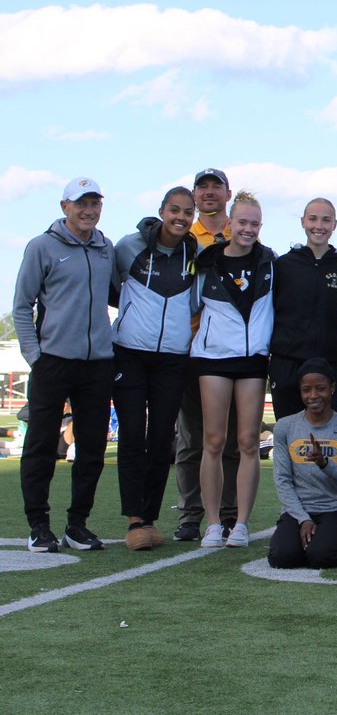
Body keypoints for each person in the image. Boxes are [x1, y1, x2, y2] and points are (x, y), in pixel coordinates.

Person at [14, 177, 118, 552]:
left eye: (95, 204)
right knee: (41, 446)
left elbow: (122, 295)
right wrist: (35, 357)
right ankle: (38, 526)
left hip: (97, 365)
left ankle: (77, 525)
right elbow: (22, 306)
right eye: (81, 204)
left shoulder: (106, 248)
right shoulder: (42, 246)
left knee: (92, 449)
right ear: (64, 207)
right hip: (53, 362)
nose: (88, 211)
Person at [111, 186, 198, 550]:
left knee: (162, 437)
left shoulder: (195, 253)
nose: (180, 218)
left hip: (172, 358)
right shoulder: (127, 247)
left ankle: (149, 518)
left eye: (187, 212)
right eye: (174, 210)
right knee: (132, 434)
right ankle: (134, 519)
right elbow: (111, 290)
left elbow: (196, 302)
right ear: (162, 210)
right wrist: (135, 319)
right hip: (129, 352)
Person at [191, 190, 275, 548]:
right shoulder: (207, 261)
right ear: (230, 222)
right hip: (213, 358)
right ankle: (212, 523)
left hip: (253, 360)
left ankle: (240, 523)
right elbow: (191, 304)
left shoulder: (269, 262)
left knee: (248, 442)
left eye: (255, 223)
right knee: (213, 440)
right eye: (242, 222)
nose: (248, 229)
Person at [173, 168, 240, 542]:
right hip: (190, 348)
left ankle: (229, 512)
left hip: (233, 351)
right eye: (203, 187)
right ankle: (190, 514)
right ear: (194, 195)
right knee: (191, 439)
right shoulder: (183, 236)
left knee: (230, 439)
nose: (210, 192)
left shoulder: (243, 230)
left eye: (217, 186)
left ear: (228, 193)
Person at [267, 358, 337, 569]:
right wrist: (303, 518)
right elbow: (283, 481)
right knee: (282, 557)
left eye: (320, 388)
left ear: (332, 388)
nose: (313, 396)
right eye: (306, 390)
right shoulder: (285, 426)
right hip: (297, 510)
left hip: (336, 510)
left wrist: (326, 465)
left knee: (320, 557)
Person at [269, 198, 337, 420]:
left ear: (335, 224)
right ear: (303, 222)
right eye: (313, 219)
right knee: (287, 433)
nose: (319, 226)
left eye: (326, 220)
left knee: (323, 437)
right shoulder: (284, 265)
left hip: (329, 362)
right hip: (287, 362)